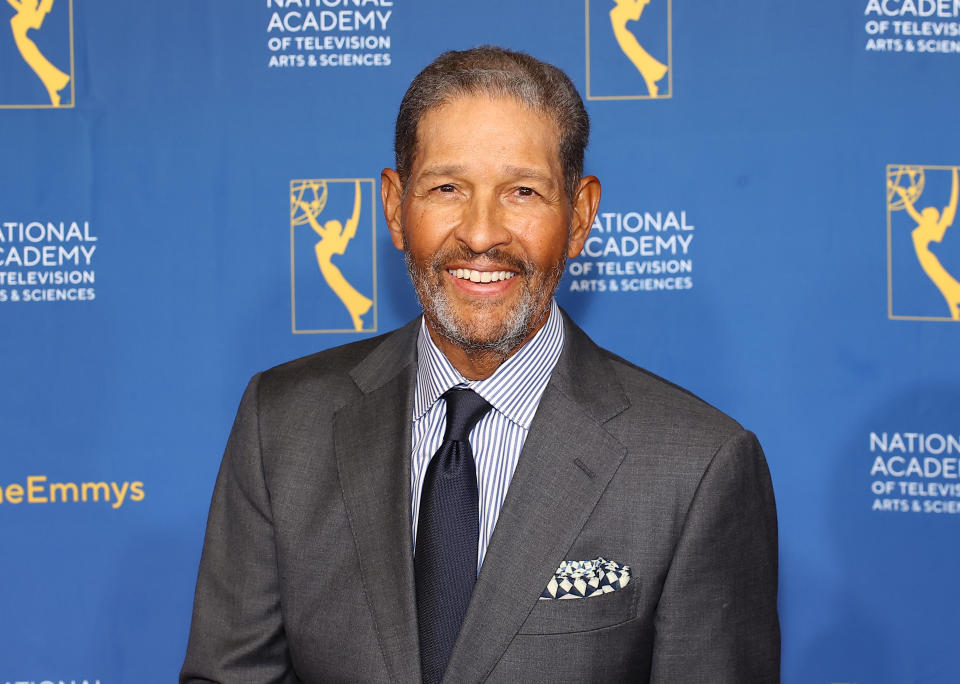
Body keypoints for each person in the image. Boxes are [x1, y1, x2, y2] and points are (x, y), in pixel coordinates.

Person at [181, 47, 779, 683]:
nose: (482, 232)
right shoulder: (282, 426)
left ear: (579, 216)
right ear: (392, 206)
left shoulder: (697, 467)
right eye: (446, 188)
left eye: (522, 191)